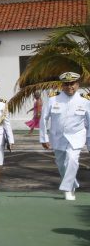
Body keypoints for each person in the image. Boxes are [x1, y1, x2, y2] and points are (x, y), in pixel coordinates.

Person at [40, 71, 90, 201]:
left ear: (77, 84)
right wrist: (43, 138)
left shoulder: (85, 100)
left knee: (73, 160)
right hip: (58, 137)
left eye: (72, 84)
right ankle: (72, 184)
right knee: (62, 165)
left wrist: (89, 142)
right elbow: (43, 119)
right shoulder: (53, 98)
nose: (69, 87)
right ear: (62, 85)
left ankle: (67, 189)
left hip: (76, 137)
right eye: (66, 84)